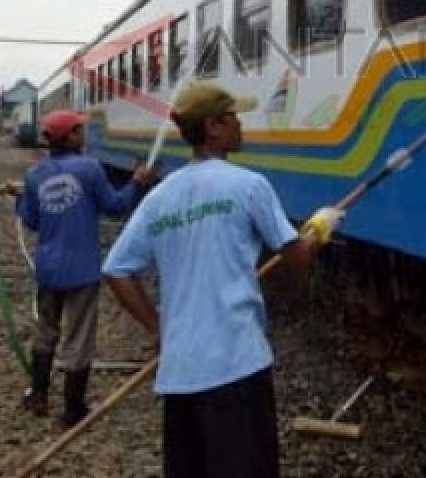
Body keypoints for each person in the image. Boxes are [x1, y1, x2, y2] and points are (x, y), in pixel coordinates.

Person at [103, 82, 343, 478]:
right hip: (237, 367)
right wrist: (319, 227)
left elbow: (116, 270)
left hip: (180, 375)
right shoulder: (248, 185)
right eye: (234, 117)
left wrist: (158, 328)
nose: (241, 125)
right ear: (214, 127)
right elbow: (298, 257)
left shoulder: (160, 197)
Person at [8, 108, 156, 427]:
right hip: (81, 270)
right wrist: (137, 183)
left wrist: (21, 198)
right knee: (79, 338)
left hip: (47, 269)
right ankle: (73, 410)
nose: (84, 133)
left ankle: (38, 395)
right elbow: (115, 207)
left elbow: (31, 221)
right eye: (79, 129)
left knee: (45, 330)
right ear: (70, 137)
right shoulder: (90, 169)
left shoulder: (35, 175)